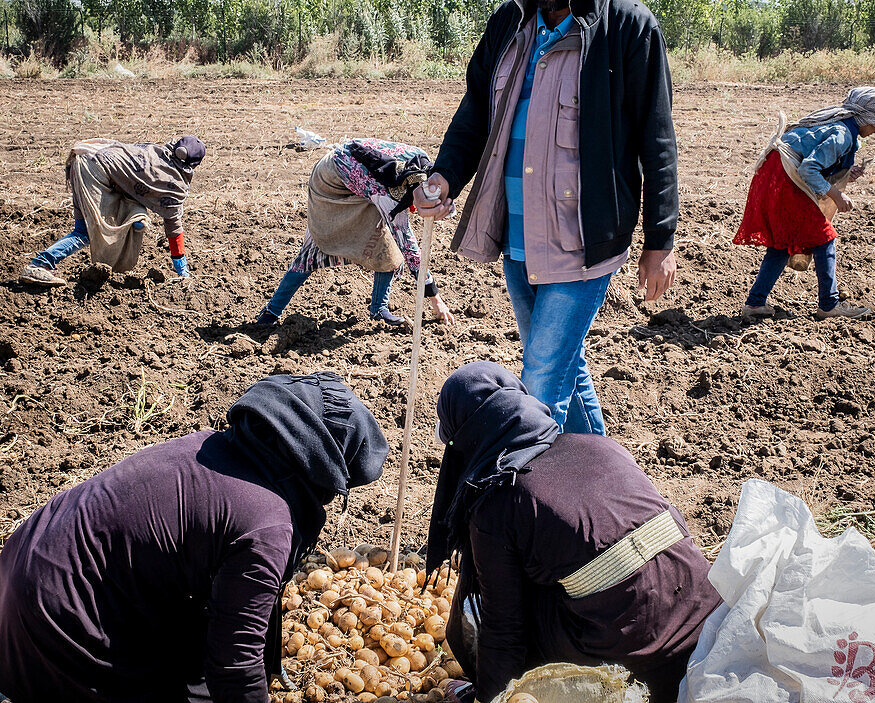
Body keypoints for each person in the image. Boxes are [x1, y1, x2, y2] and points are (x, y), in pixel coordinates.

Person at [0, 372, 389, 703]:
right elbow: (235, 664)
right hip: (58, 630)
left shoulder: (209, 445)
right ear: (320, 471)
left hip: (17, 573)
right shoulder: (267, 525)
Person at [412, 0, 678, 434]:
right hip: (519, 240)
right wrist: (445, 176)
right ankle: (600, 481)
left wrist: (660, 238)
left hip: (583, 245)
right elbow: (475, 112)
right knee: (562, 369)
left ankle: (529, 493)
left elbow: (657, 135)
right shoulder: (509, 21)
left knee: (539, 387)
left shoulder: (627, 26)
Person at [426, 361, 722, 703]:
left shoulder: (499, 500)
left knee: (491, 607)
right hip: (709, 630)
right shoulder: (599, 445)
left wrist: (489, 695)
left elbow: (505, 629)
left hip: (640, 668)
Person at [734, 87, 875, 320]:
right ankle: (829, 305)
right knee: (824, 238)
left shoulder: (839, 125)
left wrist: (846, 173)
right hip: (786, 180)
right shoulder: (842, 134)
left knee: (782, 242)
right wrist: (837, 196)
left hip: (776, 174)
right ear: (867, 118)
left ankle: (755, 303)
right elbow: (808, 168)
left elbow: (815, 161)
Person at [257, 138, 454, 327]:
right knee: (314, 247)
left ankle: (379, 309)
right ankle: (271, 312)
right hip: (330, 183)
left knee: (385, 244)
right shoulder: (392, 196)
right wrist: (435, 299)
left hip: (364, 182)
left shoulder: (425, 167)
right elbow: (410, 250)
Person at [19, 136, 205, 286]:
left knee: (83, 229)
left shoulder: (152, 151)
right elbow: (174, 229)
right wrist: (182, 270)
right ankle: (40, 264)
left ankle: (42, 263)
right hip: (93, 170)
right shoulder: (172, 183)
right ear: (193, 165)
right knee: (85, 232)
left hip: (84, 159)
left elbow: (128, 184)